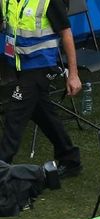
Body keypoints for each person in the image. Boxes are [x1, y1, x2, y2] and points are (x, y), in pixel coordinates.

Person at [0, 0, 82, 177]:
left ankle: (2, 165)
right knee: (42, 112)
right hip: (19, 64)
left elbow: (66, 33)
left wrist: (73, 74)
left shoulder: (49, 1)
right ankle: (70, 158)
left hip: (40, 65)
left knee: (14, 115)